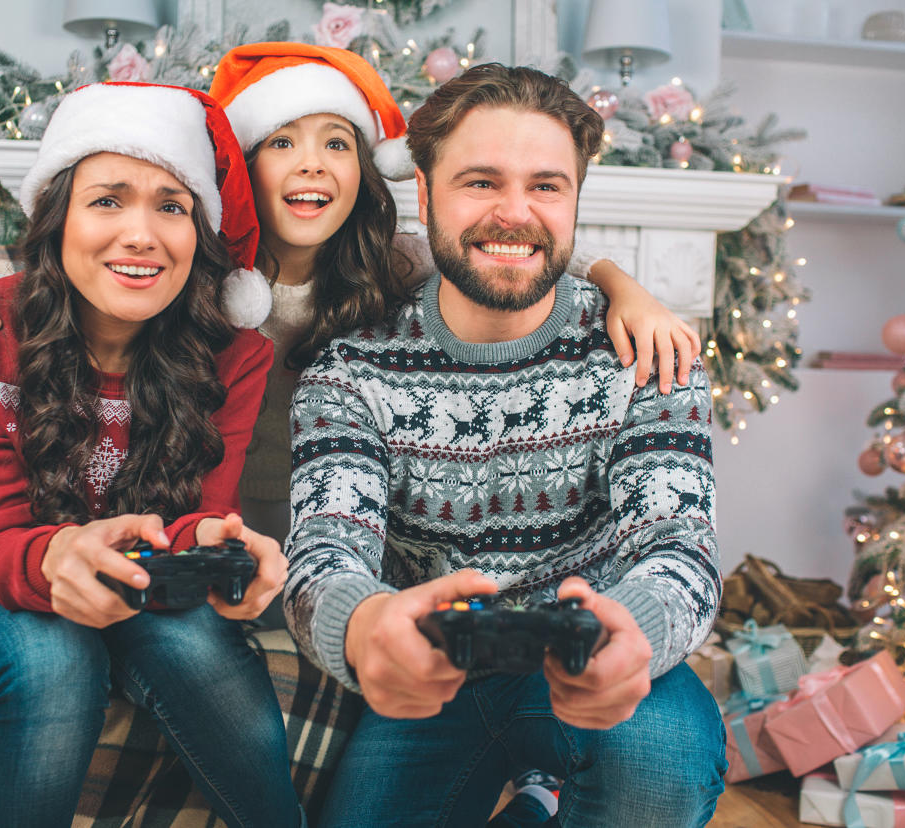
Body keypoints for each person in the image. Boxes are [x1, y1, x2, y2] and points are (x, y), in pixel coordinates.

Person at [0, 44, 701, 581]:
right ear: (242, 167)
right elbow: (76, 283)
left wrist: (623, 284)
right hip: (211, 528)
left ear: (367, 172)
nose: (312, 163)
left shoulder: (402, 267)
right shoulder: (183, 275)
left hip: (348, 534)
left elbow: (515, 247)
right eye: (282, 142)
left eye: (337, 144)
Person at [284, 63, 727, 827]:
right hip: (441, 662)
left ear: (577, 199)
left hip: (592, 644)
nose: (515, 213)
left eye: (547, 186)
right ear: (425, 196)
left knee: (661, 765)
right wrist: (364, 627)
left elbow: (679, 547)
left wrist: (637, 630)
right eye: (481, 182)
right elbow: (325, 553)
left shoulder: (647, 355)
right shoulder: (351, 370)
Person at [0, 82, 302, 828]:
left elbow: (197, 519)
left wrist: (218, 545)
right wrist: (59, 558)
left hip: (141, 594)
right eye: (107, 200)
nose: (142, 235)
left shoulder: (236, 358)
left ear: (199, 233)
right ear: (58, 221)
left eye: (171, 206)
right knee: (55, 654)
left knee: (202, 648)